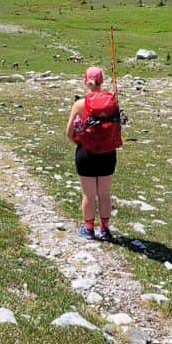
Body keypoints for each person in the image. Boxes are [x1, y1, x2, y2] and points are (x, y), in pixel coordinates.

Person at [66, 66, 123, 241]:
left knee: (88, 195)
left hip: (86, 154)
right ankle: (105, 229)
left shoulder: (80, 104)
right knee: (105, 194)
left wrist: (81, 143)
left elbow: (69, 133)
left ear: (85, 81)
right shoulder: (113, 102)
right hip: (108, 153)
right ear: (102, 81)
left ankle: (89, 230)